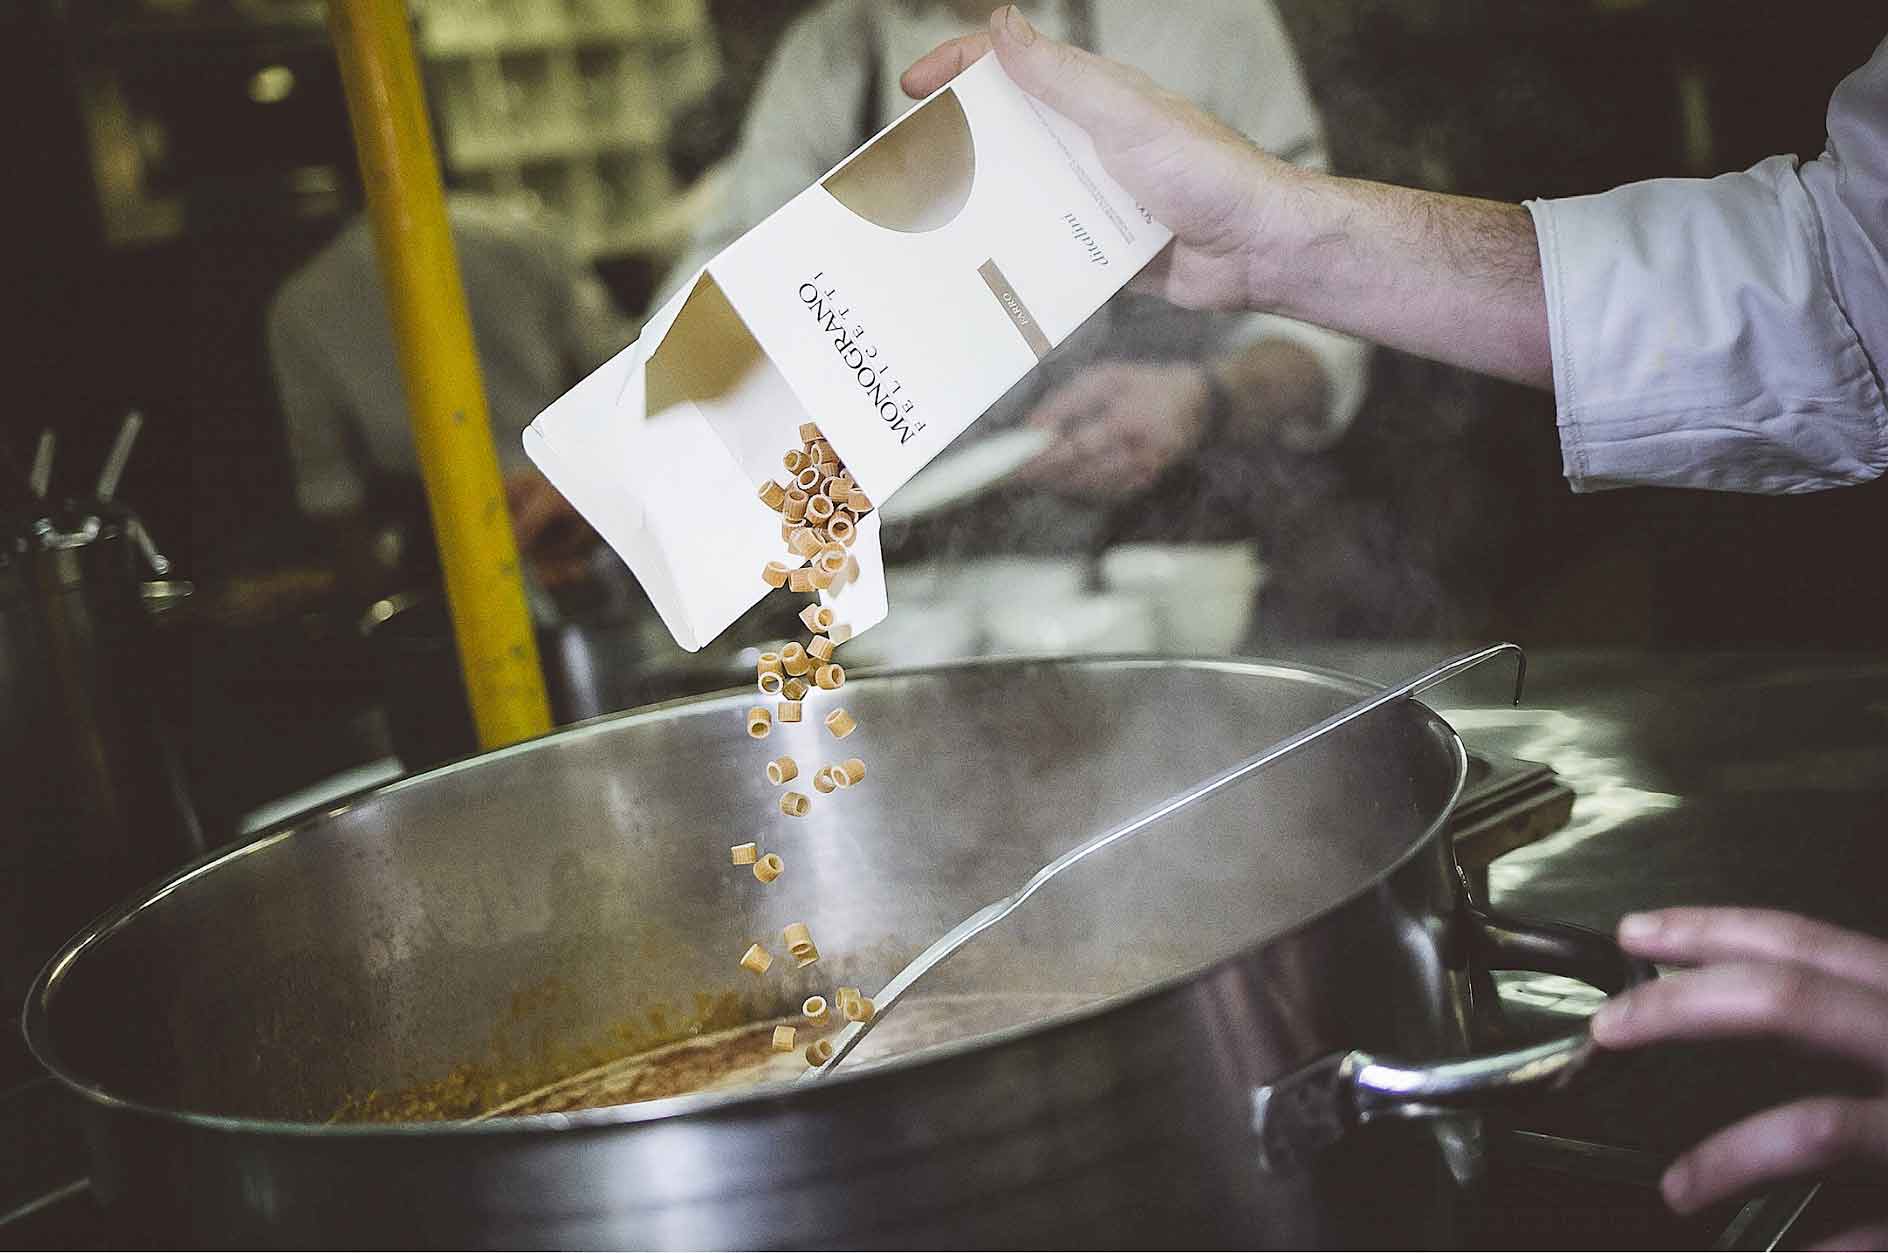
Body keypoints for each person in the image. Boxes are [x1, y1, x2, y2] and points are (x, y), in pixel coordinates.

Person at [899, 10, 1888, 1242]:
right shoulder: (828, 60)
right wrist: (1272, 234)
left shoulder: (1193, 17)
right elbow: (1839, 273)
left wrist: (1218, 367)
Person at [663, 0, 1372, 569]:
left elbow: (1328, 302)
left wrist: (1207, 399)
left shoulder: (1203, 23)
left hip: (1170, 557)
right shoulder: (833, 54)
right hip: (906, 582)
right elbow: (715, 299)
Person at [269, 196, 634, 592]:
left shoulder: (301, 304)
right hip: (575, 500)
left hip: (452, 543)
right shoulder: (520, 232)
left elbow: (330, 488)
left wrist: (377, 596)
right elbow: (618, 368)